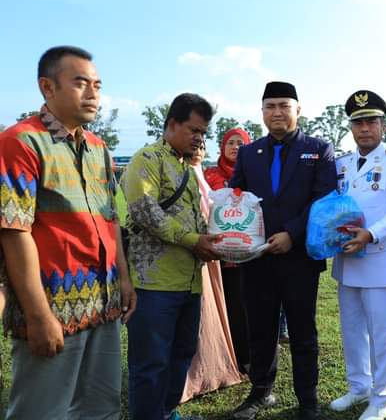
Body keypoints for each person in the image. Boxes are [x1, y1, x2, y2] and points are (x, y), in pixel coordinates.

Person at [0, 45, 136, 419]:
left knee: (101, 407)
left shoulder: (99, 149)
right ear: (47, 87)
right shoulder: (21, 142)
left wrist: (124, 279)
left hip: (104, 305)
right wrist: (38, 315)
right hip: (53, 308)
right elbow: (13, 232)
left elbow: (110, 221)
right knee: (42, 411)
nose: (93, 93)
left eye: (97, 84)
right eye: (80, 83)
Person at [229, 81, 336, 420]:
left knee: (303, 331)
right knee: (260, 329)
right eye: (270, 106)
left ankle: (307, 400)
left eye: (284, 105)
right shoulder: (249, 153)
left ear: (298, 110)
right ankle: (261, 392)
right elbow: (237, 196)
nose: (277, 112)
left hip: (299, 258)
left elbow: (324, 199)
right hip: (257, 259)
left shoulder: (318, 149)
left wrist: (292, 233)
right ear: (262, 112)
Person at [122, 93, 222, 420]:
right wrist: (195, 240)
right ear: (171, 125)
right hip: (153, 283)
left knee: (181, 355)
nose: (199, 138)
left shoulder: (187, 168)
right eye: (193, 130)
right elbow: (146, 213)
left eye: (204, 132)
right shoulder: (147, 159)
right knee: (150, 363)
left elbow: (199, 218)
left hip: (190, 282)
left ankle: (165, 412)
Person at [329, 90, 386, 420]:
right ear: (351, 128)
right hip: (346, 260)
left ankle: (382, 397)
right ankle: (358, 386)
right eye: (358, 123)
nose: (364, 129)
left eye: (370, 122)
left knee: (380, 331)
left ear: (383, 125)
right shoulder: (341, 163)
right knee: (352, 329)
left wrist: (370, 234)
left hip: (379, 258)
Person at [182, 142, 244, 402]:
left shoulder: (200, 174)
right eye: (193, 143)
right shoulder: (182, 173)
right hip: (193, 251)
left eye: (202, 144)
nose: (197, 149)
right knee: (199, 313)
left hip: (211, 254)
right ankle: (195, 374)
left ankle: (214, 367)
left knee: (212, 311)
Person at [204, 127, 254, 372]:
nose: (236, 147)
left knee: (249, 307)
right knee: (229, 305)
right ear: (222, 147)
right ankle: (228, 356)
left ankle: (247, 357)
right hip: (219, 256)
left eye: (241, 143)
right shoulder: (209, 175)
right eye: (231, 142)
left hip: (250, 254)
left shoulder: (254, 174)